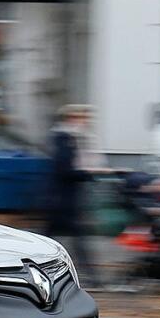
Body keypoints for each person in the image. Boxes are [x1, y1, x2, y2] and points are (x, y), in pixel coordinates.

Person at [47, 104, 105, 288]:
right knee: (70, 241)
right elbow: (64, 170)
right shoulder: (64, 139)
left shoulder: (68, 138)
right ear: (72, 118)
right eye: (82, 118)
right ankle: (93, 278)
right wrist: (87, 173)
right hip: (62, 200)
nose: (85, 122)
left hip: (64, 199)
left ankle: (90, 277)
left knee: (52, 240)